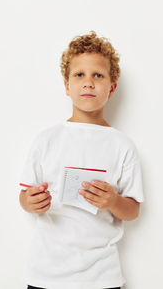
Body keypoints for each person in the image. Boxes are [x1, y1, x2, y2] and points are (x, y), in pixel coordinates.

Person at [19, 30, 144, 289]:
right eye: (79, 75)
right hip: (46, 274)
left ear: (112, 86)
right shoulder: (46, 140)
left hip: (101, 276)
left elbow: (132, 210)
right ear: (66, 85)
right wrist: (30, 202)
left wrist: (112, 200)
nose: (88, 82)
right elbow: (24, 197)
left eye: (98, 75)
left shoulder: (122, 146)